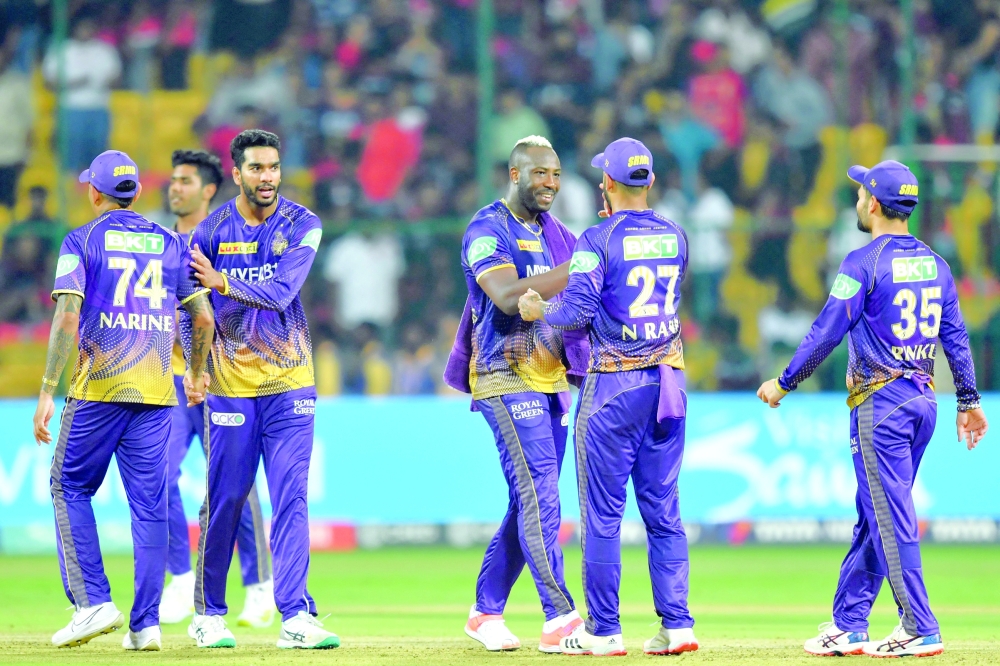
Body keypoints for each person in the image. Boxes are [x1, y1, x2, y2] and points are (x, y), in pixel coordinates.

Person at [757, 160, 989, 658]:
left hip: (879, 405)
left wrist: (785, 381)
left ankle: (919, 626)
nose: (858, 199)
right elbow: (956, 338)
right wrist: (967, 401)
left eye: (862, 193)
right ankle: (850, 623)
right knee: (875, 514)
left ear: (875, 204)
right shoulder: (937, 264)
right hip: (923, 401)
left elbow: (827, 330)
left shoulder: (862, 263)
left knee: (890, 518)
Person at [519, 137, 699, 657]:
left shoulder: (596, 239)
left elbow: (575, 310)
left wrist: (539, 313)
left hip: (614, 387)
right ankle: (678, 625)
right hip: (668, 384)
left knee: (602, 514)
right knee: (664, 510)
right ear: (650, 183)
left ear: (610, 184)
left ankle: (604, 630)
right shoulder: (676, 235)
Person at [34, 150, 213, 651]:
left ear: (95, 192)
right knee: (150, 505)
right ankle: (145, 625)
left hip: (98, 389)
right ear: (134, 192)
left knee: (68, 485)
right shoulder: (168, 243)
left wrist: (48, 389)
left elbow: (68, 317)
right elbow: (202, 319)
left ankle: (92, 603)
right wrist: (195, 376)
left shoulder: (80, 240)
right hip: (159, 394)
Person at [186, 130, 338, 650]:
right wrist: (195, 368)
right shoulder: (207, 233)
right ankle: (207, 613)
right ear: (237, 173)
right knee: (226, 498)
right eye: (257, 168)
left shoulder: (303, 224)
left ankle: (295, 614)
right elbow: (193, 309)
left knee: (291, 496)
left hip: (290, 382)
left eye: (273, 167)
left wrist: (223, 282)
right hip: (229, 386)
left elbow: (280, 294)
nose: (268, 177)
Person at [454, 136, 583, 653]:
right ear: (514, 174)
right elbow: (508, 298)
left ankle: (486, 612)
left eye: (555, 174)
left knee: (528, 497)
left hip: (550, 379)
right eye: (539, 174)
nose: (550, 183)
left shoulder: (558, 235)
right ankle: (560, 617)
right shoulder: (486, 229)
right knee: (540, 493)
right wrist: (583, 265)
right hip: (503, 376)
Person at [157, 149, 276, 628]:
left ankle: (260, 588)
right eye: (172, 180)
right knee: (156, 478)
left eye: (185, 181)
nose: (174, 188)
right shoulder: (161, 245)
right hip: (168, 382)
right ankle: (182, 580)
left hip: (222, 378)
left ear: (209, 189)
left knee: (236, 484)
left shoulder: (225, 240)